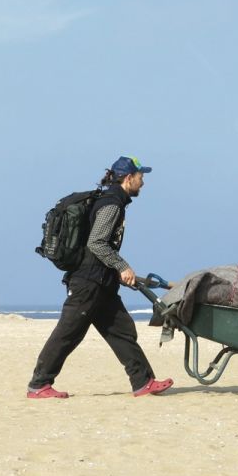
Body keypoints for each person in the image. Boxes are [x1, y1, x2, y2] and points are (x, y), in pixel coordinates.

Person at [27, 156, 174, 399]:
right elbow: (96, 243)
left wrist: (116, 272)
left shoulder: (114, 201)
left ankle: (143, 382)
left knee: (121, 331)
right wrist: (122, 266)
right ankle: (38, 385)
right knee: (67, 333)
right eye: (141, 177)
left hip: (102, 282)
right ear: (128, 179)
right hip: (88, 283)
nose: (143, 182)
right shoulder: (112, 204)